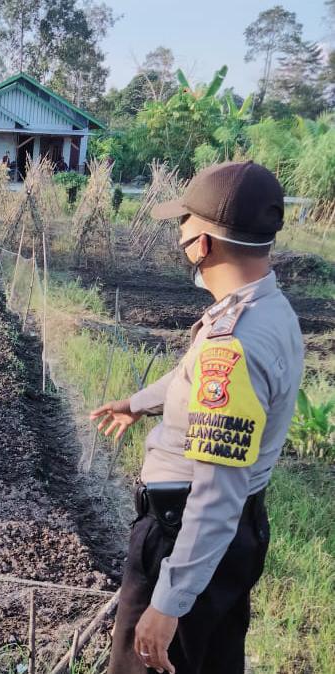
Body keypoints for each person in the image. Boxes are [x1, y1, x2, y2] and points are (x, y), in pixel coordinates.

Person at [90, 161, 304, 674]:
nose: (180, 234)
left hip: (184, 536)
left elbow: (215, 494)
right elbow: (196, 382)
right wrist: (139, 403)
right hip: (231, 536)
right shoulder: (267, 311)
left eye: (184, 224)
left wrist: (168, 603)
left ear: (203, 244)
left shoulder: (234, 343)